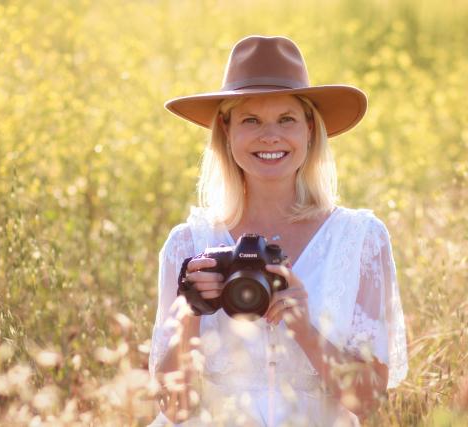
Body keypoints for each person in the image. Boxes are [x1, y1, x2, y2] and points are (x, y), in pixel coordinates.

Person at [148, 35, 408, 426]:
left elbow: (369, 401)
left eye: (286, 119)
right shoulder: (189, 244)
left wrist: (304, 326)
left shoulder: (359, 240)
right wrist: (191, 313)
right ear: (227, 128)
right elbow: (174, 408)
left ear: (308, 128)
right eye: (251, 120)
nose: (270, 136)